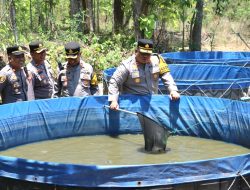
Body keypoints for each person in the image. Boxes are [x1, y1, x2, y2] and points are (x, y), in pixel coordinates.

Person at [108, 39, 180, 110]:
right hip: (133, 106)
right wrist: (113, 100)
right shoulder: (127, 65)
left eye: (148, 54)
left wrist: (173, 90)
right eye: (142, 53)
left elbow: (166, 76)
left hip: (153, 104)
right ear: (136, 51)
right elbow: (114, 81)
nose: (145, 56)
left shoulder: (157, 61)